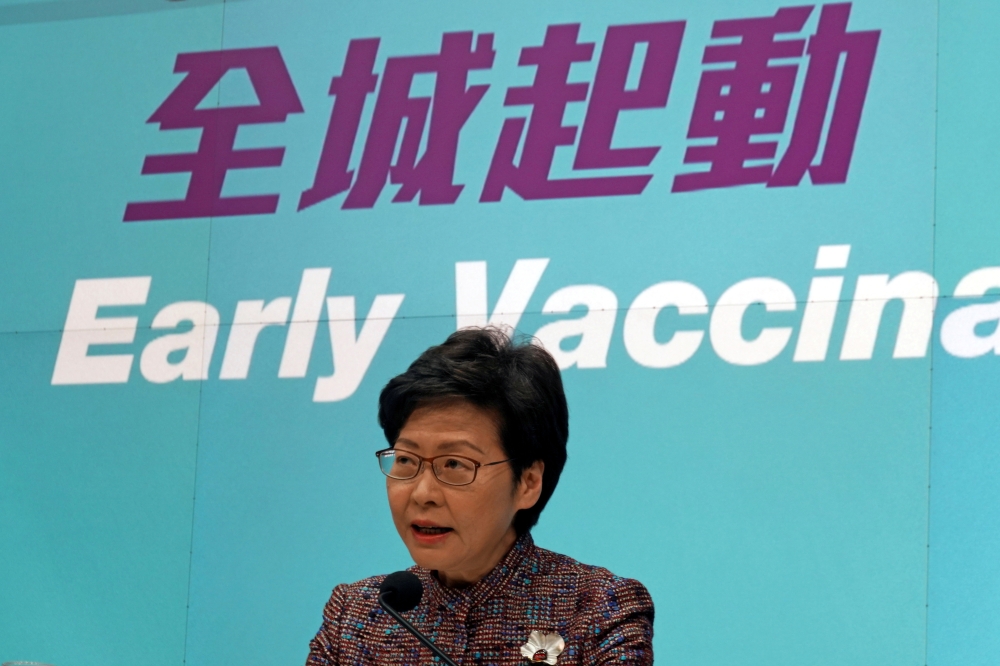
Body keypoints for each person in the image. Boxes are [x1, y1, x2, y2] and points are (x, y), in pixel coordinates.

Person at [306, 327, 654, 666]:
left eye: (454, 464)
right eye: (407, 460)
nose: (423, 493)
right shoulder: (357, 615)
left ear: (528, 482)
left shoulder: (597, 610)